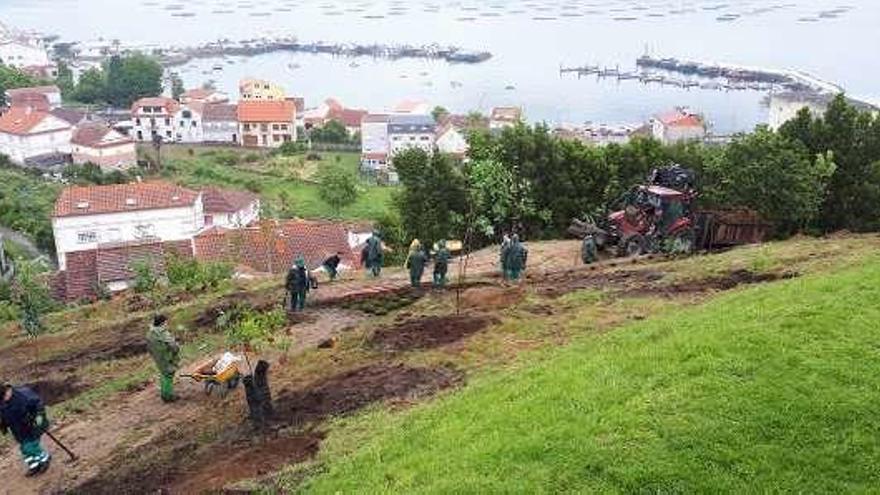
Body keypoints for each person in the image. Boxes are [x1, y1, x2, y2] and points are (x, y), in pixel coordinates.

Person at [0, 382, 51, 476]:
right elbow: (4, 414)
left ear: (7, 391)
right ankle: (34, 465)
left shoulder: (23, 394)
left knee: (30, 446)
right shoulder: (2, 400)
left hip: (32, 426)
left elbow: (38, 404)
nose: (3, 400)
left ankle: (45, 458)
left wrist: (39, 416)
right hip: (18, 430)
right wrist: (3, 425)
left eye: (4, 397)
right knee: (24, 449)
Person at [146, 315, 181, 403]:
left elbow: (148, 346)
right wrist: (176, 349)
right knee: (169, 374)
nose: (167, 324)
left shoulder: (150, 333)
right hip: (166, 356)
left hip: (158, 357)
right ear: (162, 323)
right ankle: (168, 396)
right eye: (166, 322)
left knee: (163, 374)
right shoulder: (162, 333)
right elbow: (172, 345)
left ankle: (164, 393)